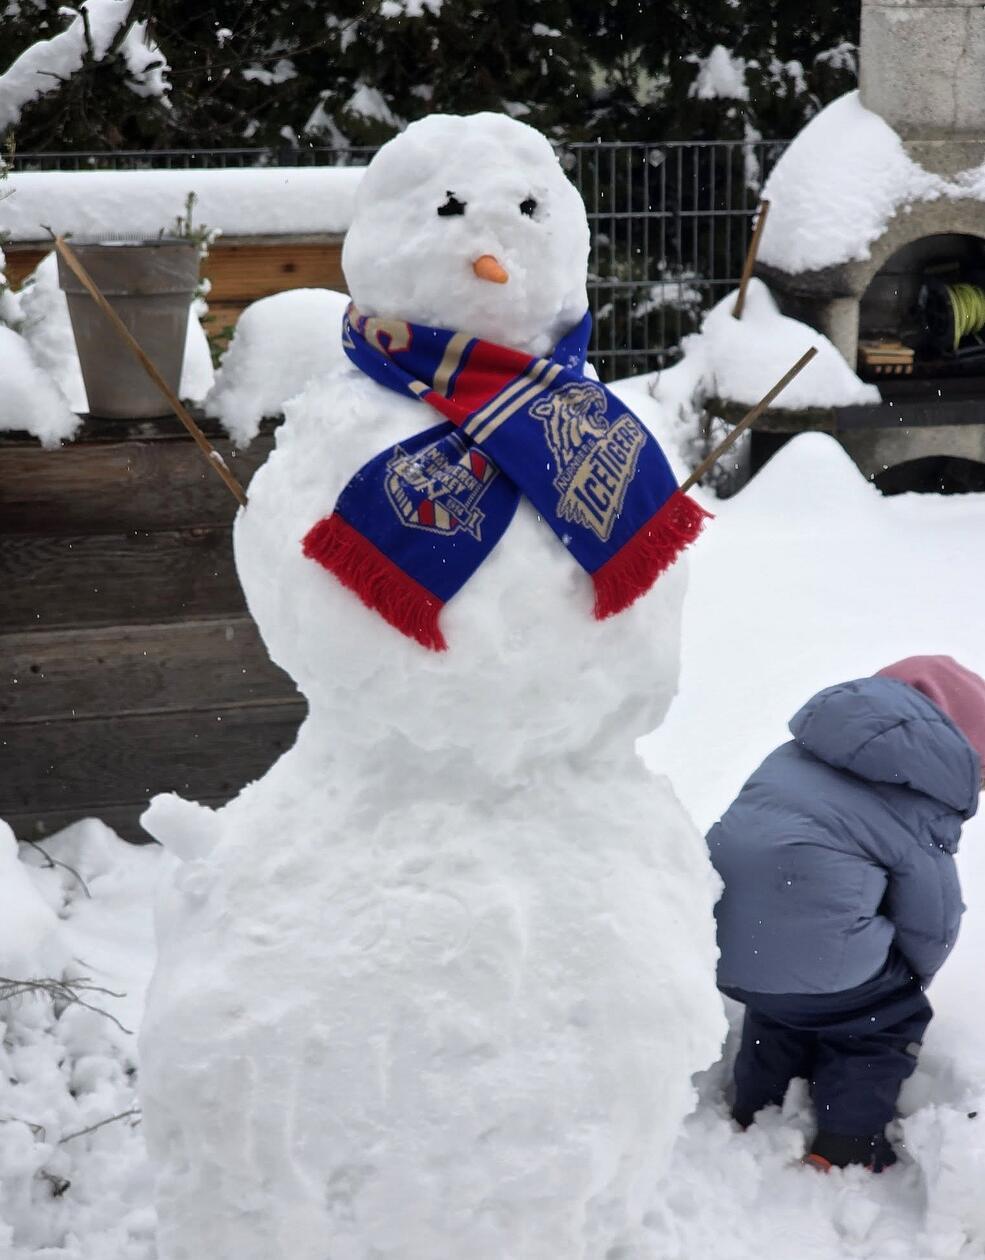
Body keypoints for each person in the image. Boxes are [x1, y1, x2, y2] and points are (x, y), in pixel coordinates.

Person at [707, 655, 985, 1172]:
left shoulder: (796, 755)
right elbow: (933, 915)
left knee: (780, 1005)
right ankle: (845, 1146)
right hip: (821, 961)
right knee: (878, 1022)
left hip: (726, 945)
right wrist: (905, 982)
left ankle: (754, 1108)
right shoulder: (919, 796)